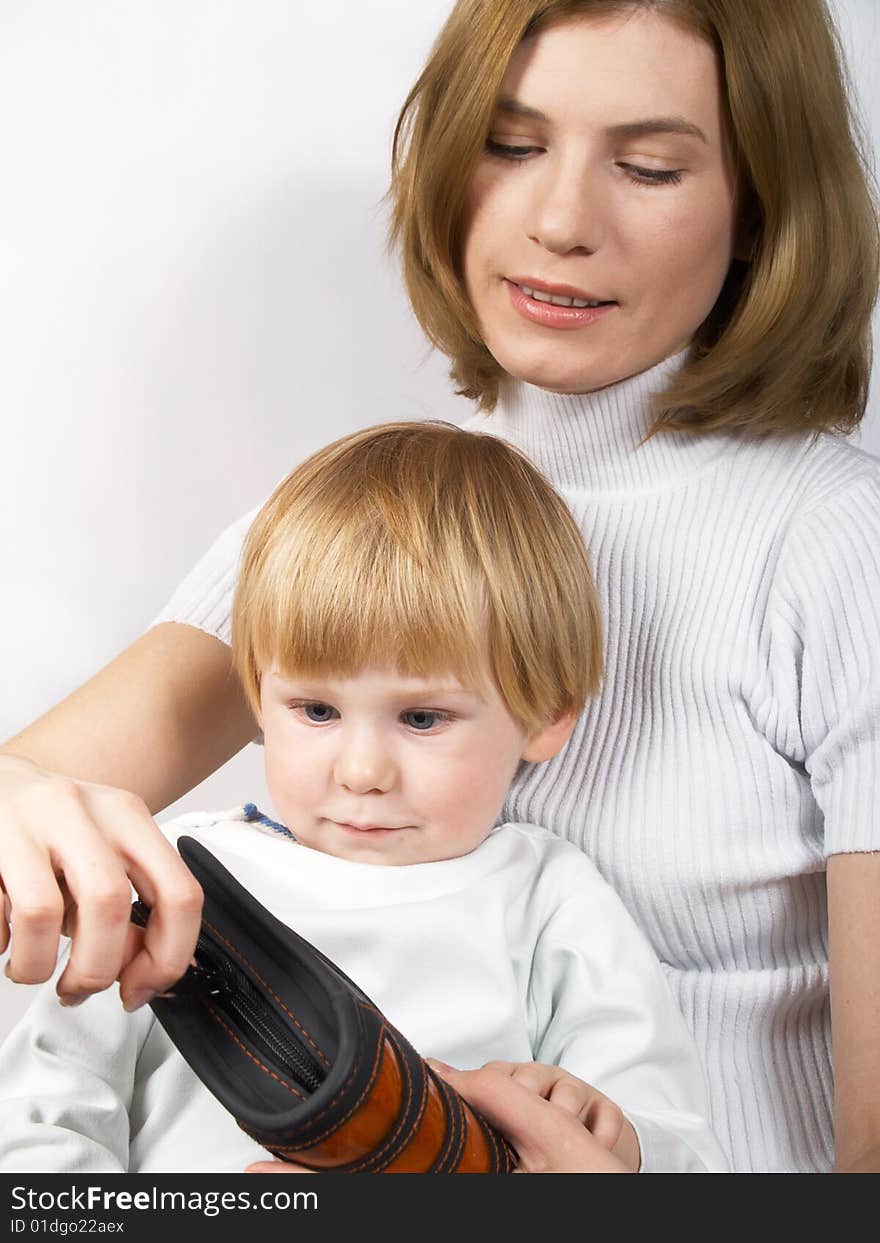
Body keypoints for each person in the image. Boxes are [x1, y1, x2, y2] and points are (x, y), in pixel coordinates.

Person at [0, 0, 878, 1175]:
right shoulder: (352, 523)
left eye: (650, 165)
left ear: (761, 203)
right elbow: (32, 797)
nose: (562, 221)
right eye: (511, 146)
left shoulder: (835, 548)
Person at [0, 423, 727, 1174]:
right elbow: (44, 1108)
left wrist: (618, 1135)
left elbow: (681, 1142)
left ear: (546, 714)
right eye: (316, 710)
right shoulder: (175, 878)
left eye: (422, 717)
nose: (361, 770)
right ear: (257, 695)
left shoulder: (548, 899)